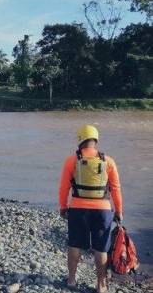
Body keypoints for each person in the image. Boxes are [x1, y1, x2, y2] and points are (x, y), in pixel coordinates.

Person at [59, 125, 123, 293]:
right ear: (96, 140)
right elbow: (116, 189)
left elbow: (64, 188)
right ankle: (101, 285)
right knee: (101, 248)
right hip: (102, 211)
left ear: (80, 140)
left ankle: (71, 280)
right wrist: (119, 211)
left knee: (74, 244)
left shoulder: (71, 160)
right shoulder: (108, 161)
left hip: (78, 209)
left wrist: (63, 207)